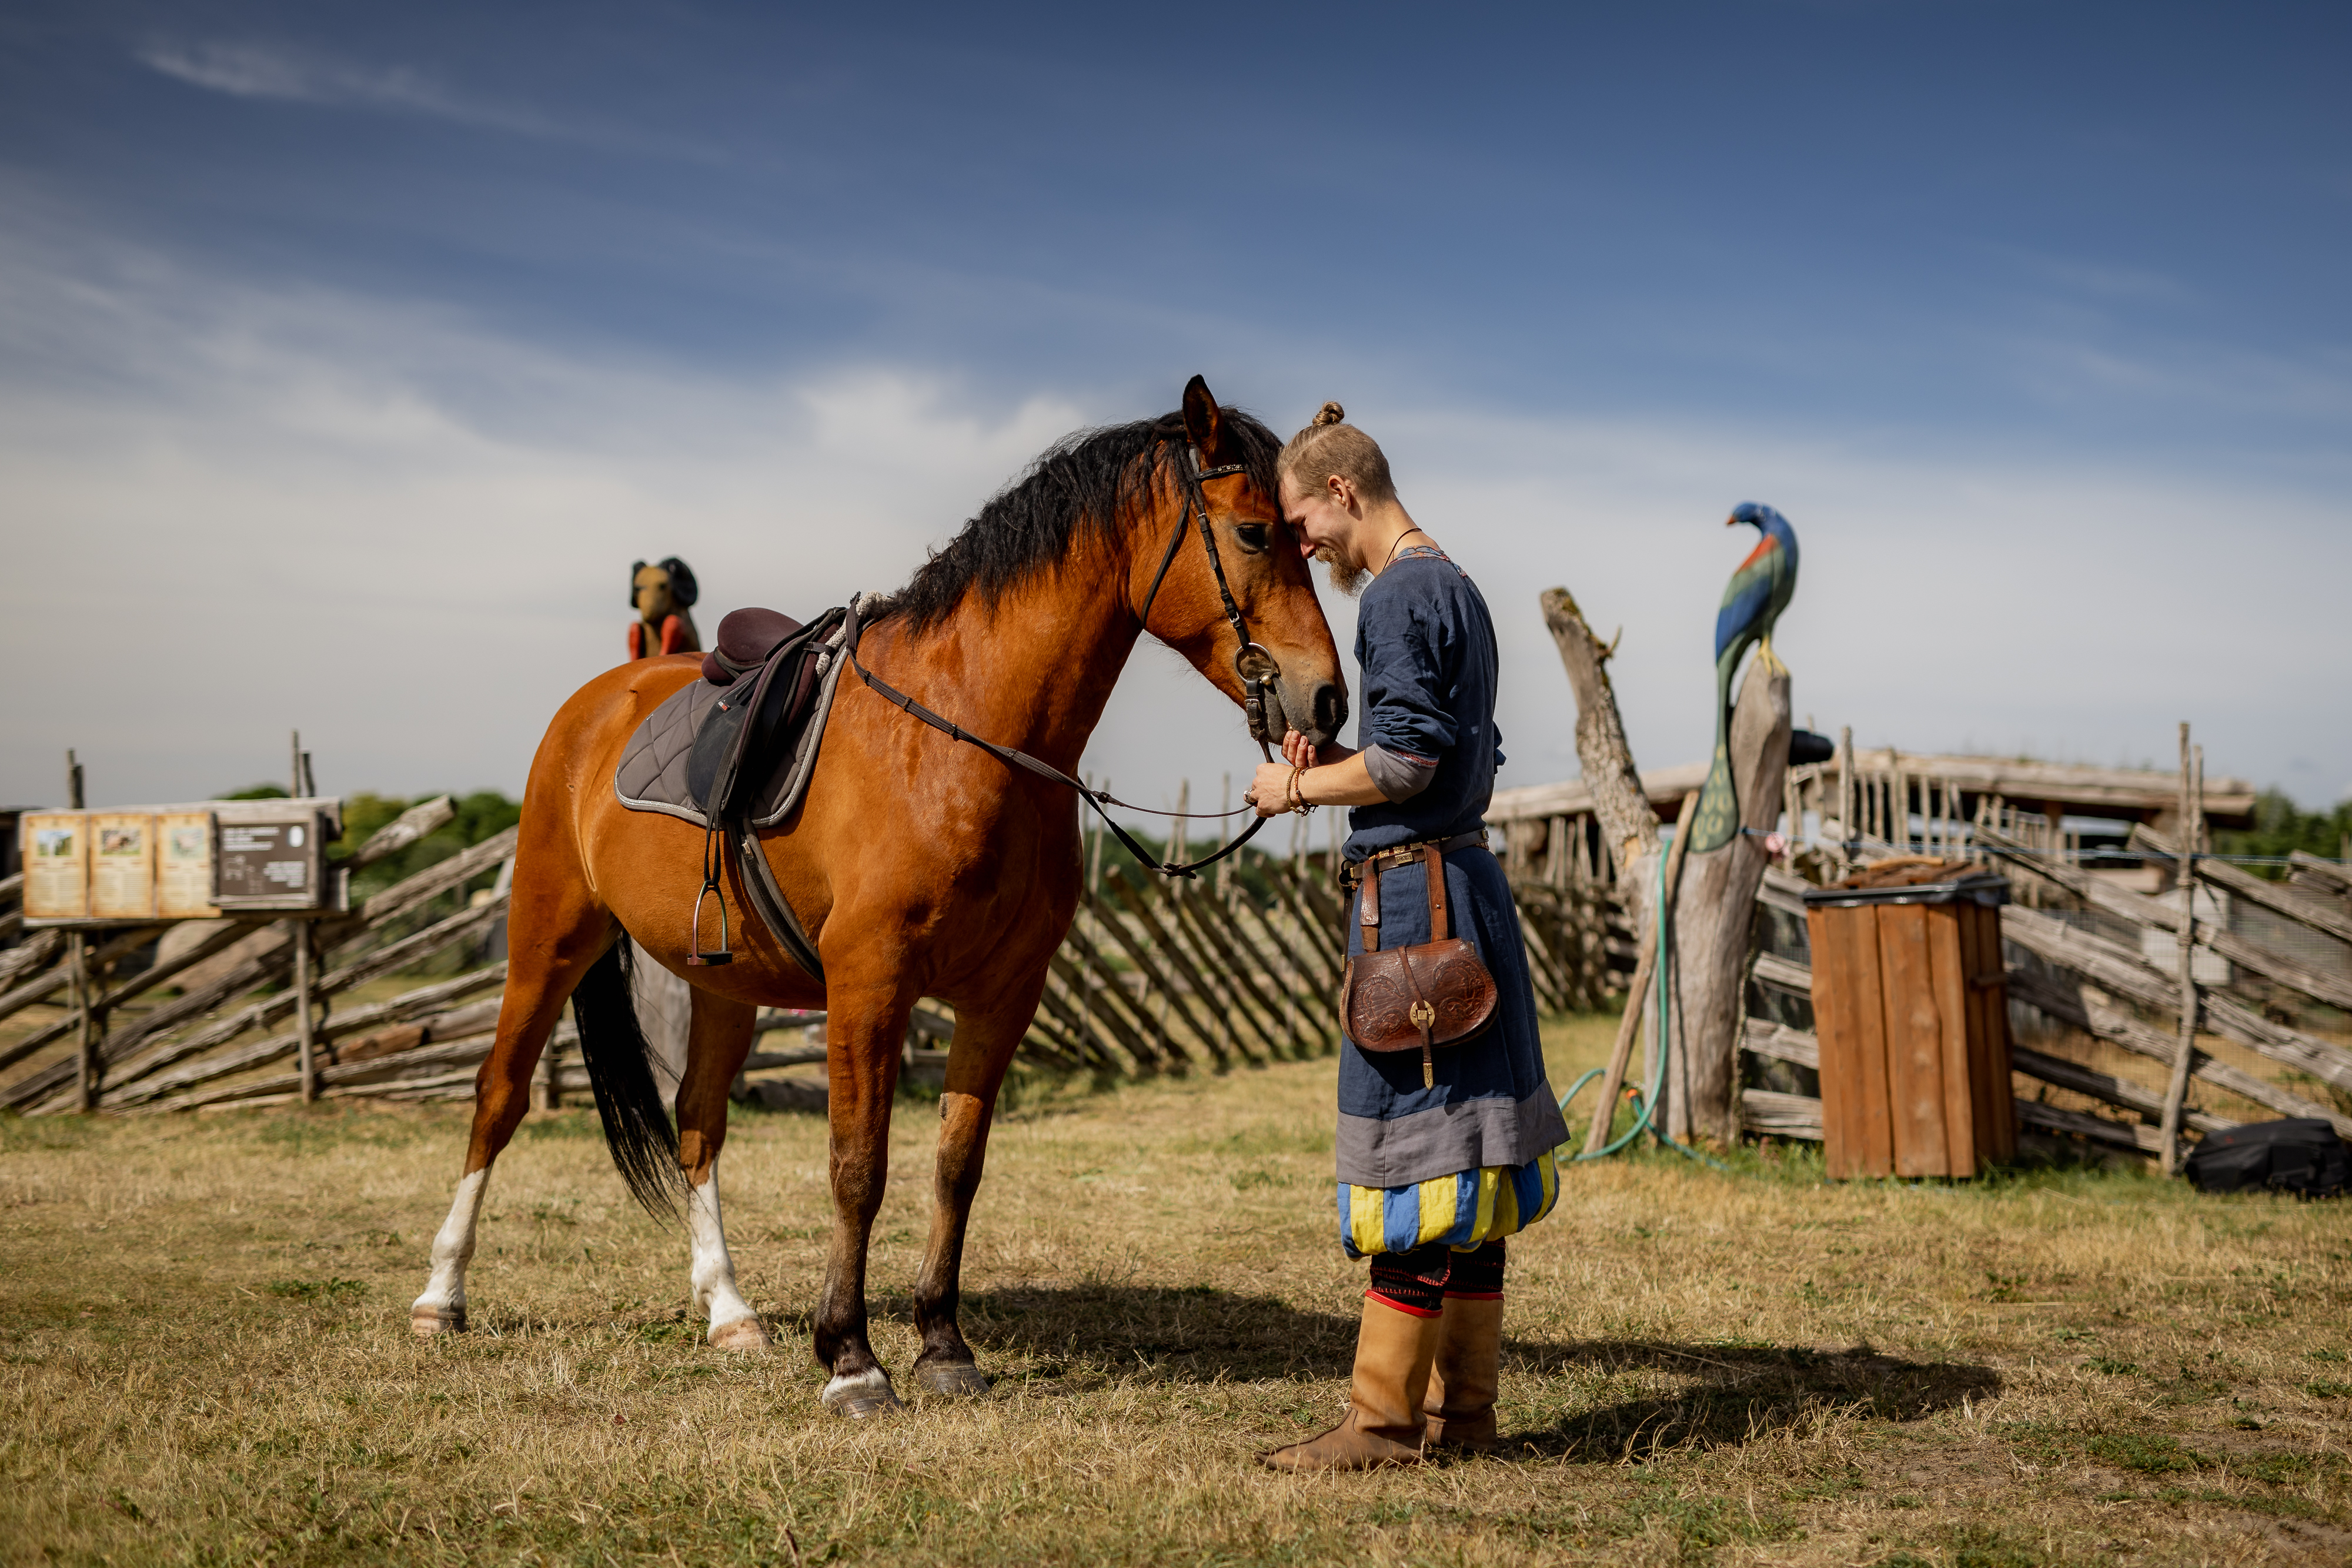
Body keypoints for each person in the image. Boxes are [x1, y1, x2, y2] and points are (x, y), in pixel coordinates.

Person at [1247, 403, 1569, 1471]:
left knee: (1422, 1156)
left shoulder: (1394, 596)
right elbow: (1434, 742)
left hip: (1419, 905)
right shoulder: (1458, 587)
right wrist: (1343, 749)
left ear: (1343, 491)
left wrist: (1296, 785)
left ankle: (1382, 1424)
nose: (1305, 549)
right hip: (1459, 884)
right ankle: (1461, 1418)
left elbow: (1408, 767)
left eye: (1302, 526)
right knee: (1467, 1160)